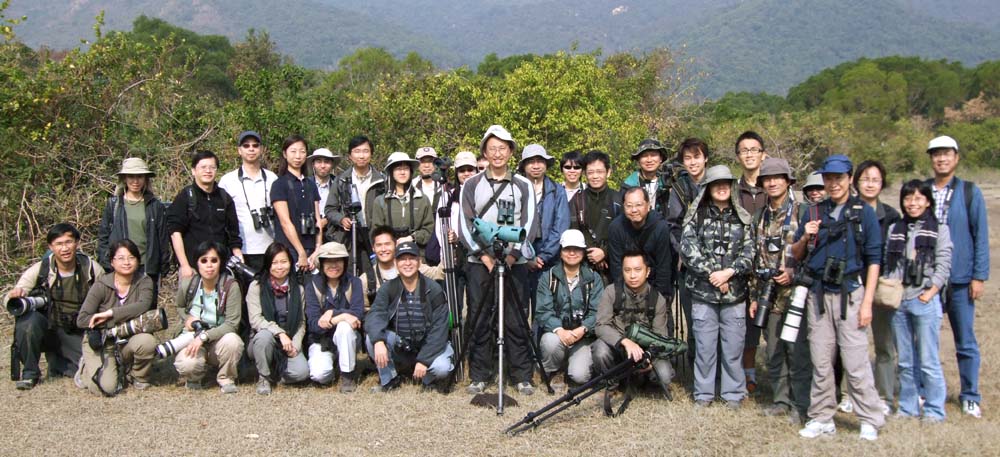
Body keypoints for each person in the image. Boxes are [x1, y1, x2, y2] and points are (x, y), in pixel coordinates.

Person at [792, 154, 884, 441]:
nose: (833, 183)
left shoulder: (863, 213)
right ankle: (822, 416)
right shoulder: (813, 212)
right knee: (821, 361)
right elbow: (796, 253)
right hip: (818, 294)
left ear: (849, 179)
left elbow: (874, 259)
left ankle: (869, 418)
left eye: (839, 178)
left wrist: (867, 302)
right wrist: (805, 237)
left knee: (855, 361)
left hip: (850, 293)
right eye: (829, 178)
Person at [459, 124, 539, 396]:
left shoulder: (523, 185)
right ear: (484, 152)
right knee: (479, 317)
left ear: (511, 152)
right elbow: (465, 224)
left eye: (502, 148)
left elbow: (530, 223)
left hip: (515, 264)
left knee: (516, 318)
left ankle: (521, 375)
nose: (497, 153)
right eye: (492, 148)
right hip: (479, 264)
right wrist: (484, 256)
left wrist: (513, 256)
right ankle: (480, 375)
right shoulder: (471, 184)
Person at [680, 165, 754, 409]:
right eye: (716, 184)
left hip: (735, 294)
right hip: (703, 293)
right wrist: (713, 275)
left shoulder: (743, 218)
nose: (721, 188)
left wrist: (729, 273)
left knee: (733, 347)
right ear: (708, 188)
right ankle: (704, 394)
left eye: (725, 183)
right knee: (705, 347)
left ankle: (733, 393)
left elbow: (750, 252)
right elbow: (688, 250)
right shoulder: (696, 216)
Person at [926, 135, 989, 418]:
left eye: (946, 154)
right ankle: (927, 392)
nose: (941, 159)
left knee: (965, 341)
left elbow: (981, 236)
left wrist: (979, 276)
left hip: (960, 278)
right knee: (926, 339)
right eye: (936, 154)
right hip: (928, 279)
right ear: (931, 159)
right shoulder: (923, 190)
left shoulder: (969, 192)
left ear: (956, 157)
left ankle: (970, 395)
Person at [882, 179, 952, 423]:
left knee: (928, 360)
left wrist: (930, 293)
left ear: (928, 201)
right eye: (908, 198)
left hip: (924, 300)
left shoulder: (940, 229)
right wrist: (892, 289)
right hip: (899, 301)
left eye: (919, 198)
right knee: (904, 360)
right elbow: (888, 264)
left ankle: (934, 409)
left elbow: (943, 265)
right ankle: (908, 407)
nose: (913, 203)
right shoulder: (895, 229)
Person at [748, 158, 811, 422]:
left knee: (797, 351)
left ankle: (801, 404)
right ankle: (781, 400)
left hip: (796, 295)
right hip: (769, 295)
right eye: (767, 179)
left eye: (777, 178)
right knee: (773, 350)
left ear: (787, 181)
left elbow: (812, 252)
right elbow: (753, 259)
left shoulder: (803, 211)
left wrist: (794, 273)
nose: (772, 182)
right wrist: (754, 296)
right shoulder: (759, 217)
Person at [5, 223, 104, 390]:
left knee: (88, 369)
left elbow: (107, 297)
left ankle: (57, 362)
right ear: (51, 247)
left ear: (77, 243)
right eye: (59, 244)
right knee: (28, 322)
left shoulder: (91, 268)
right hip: (49, 327)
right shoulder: (41, 269)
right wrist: (15, 295)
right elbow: (11, 299)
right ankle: (30, 374)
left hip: (78, 329)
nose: (64, 248)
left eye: (68, 242)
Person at [843, 160, 900, 415]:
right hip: (853, 284)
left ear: (882, 183)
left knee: (884, 344)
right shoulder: (846, 211)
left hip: (882, 287)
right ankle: (848, 394)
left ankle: (885, 395)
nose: (870, 184)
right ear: (856, 182)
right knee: (851, 344)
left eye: (875, 180)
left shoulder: (891, 216)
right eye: (865, 179)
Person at [365, 241, 455, 393]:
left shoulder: (434, 289)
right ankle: (390, 380)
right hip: (401, 344)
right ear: (395, 263)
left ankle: (427, 379)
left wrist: (424, 360)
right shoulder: (388, 288)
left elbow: (440, 330)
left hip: (428, 345)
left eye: (412, 258)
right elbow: (375, 315)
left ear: (419, 262)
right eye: (402, 259)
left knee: (442, 368)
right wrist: (378, 341)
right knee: (372, 339)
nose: (407, 263)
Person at [76, 239, 155, 395]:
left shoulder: (144, 281)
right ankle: (85, 369)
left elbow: (143, 305)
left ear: (138, 260)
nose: (126, 262)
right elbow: (82, 319)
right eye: (121, 258)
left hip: (129, 338)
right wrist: (106, 324)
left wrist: (110, 313)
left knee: (147, 341)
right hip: (104, 342)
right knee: (106, 388)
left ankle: (137, 376)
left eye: (131, 257)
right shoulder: (101, 285)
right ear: (112, 262)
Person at [592, 251, 673, 397]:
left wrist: (649, 357)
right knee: (600, 349)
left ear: (647, 272)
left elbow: (661, 338)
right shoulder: (611, 292)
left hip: (645, 352)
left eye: (637, 270)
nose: (632, 275)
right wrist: (625, 342)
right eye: (627, 270)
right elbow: (601, 326)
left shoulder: (657, 299)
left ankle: (644, 380)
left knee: (665, 375)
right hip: (618, 348)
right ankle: (612, 383)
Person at [534, 230, 604, 388]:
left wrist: (583, 329)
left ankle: (571, 365)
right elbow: (543, 312)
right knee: (549, 342)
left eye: (577, 249)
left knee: (580, 376)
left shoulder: (594, 278)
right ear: (561, 251)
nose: (572, 253)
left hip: (583, 336)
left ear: (583, 252)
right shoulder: (548, 277)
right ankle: (553, 370)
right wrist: (560, 330)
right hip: (557, 335)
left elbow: (598, 312)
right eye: (567, 249)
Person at [173, 242, 244, 394]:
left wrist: (204, 337)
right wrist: (187, 318)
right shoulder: (188, 284)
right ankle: (194, 377)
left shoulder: (230, 286)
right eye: (204, 261)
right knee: (186, 364)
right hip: (191, 337)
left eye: (214, 260)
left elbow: (232, 324)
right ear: (197, 263)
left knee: (233, 341)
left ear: (221, 263)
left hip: (218, 338)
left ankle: (226, 378)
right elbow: (179, 306)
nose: (209, 266)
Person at [96, 157, 170, 302]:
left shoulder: (155, 206)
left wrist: (162, 267)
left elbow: (162, 239)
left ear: (146, 179)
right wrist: (108, 263)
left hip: (146, 267)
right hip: (120, 267)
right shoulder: (114, 205)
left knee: (146, 310)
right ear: (124, 179)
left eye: (140, 176)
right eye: (131, 176)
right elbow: (103, 236)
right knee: (121, 310)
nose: (135, 181)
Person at [665, 137, 710, 364]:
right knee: (693, 320)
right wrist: (684, 252)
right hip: (688, 264)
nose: (693, 162)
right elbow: (673, 225)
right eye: (688, 158)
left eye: (697, 157)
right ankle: (696, 370)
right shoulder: (679, 188)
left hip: (717, 263)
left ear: (706, 158)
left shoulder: (717, 183)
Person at [166, 150, 243, 280]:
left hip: (220, 268)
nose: (208, 171)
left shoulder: (224, 198)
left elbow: (233, 234)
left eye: (212, 167)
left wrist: (238, 256)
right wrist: (184, 265)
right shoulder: (185, 197)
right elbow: (175, 233)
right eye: (203, 167)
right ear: (193, 171)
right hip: (192, 268)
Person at [246, 243, 310, 395]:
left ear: (290, 263)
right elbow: (256, 320)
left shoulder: (298, 289)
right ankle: (264, 377)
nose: (279, 267)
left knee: (302, 373)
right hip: (263, 340)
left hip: (289, 342)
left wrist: (296, 345)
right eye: (274, 263)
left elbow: (301, 322)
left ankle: (275, 374)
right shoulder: (256, 286)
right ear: (268, 264)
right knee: (264, 336)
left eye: (284, 262)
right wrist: (280, 333)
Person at [733, 131, 768, 393]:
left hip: (770, 266)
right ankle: (748, 375)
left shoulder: (775, 185)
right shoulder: (734, 190)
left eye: (754, 149)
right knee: (746, 326)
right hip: (743, 268)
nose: (749, 154)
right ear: (738, 156)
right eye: (744, 150)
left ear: (763, 155)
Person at [305, 241, 364, 392]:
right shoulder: (312, 285)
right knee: (320, 375)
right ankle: (336, 364)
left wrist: (332, 313)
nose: (334, 265)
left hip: (348, 338)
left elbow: (358, 314)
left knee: (344, 327)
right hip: (321, 340)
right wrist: (341, 316)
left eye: (338, 260)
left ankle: (347, 375)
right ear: (321, 263)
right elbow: (314, 324)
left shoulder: (354, 282)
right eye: (328, 261)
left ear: (344, 262)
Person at [325, 135, 386, 277]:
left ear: (371, 154)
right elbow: (330, 209)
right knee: (347, 276)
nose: (361, 156)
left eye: (365, 151)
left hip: (373, 235)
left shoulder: (382, 180)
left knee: (372, 276)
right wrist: (341, 219)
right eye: (357, 151)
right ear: (350, 156)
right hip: (347, 237)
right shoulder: (341, 180)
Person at [218, 131, 279, 272]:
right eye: (246, 146)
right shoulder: (228, 181)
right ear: (239, 150)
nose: (251, 149)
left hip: (270, 248)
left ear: (261, 149)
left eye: (255, 145)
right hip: (242, 250)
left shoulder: (272, 178)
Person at [518, 144, 570, 307]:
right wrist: (524, 257)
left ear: (546, 164)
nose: (536, 166)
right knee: (519, 309)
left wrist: (543, 257)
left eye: (539, 161)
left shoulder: (557, 191)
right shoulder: (515, 189)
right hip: (518, 259)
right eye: (531, 161)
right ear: (524, 165)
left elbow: (561, 226)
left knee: (544, 309)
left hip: (549, 261)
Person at [608, 188, 674, 303]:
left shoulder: (660, 227)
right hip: (627, 283)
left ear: (648, 206)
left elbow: (663, 267)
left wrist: (659, 299)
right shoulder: (616, 227)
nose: (634, 210)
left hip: (653, 282)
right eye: (629, 206)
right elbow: (616, 266)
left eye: (638, 205)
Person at [271, 135, 323, 271]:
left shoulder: (311, 184)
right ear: (285, 154)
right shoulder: (279, 184)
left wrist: (318, 248)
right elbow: (285, 222)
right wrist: (301, 252)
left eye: (302, 151)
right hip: (289, 249)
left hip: (312, 248)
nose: (298, 156)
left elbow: (317, 219)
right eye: (293, 151)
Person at [360, 227, 445, 308]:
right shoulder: (366, 280)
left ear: (395, 245)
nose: (383, 249)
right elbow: (363, 311)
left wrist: (449, 245)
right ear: (373, 248)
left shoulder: (410, 267)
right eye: (379, 245)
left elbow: (438, 273)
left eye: (387, 244)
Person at [568, 150, 621, 279]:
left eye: (600, 172)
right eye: (590, 172)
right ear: (585, 174)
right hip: (584, 264)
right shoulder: (577, 200)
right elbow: (573, 230)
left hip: (613, 265)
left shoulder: (618, 199)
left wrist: (604, 252)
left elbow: (624, 234)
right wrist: (592, 254)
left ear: (608, 172)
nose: (595, 176)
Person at [370, 152, 435, 252]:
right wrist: (391, 241)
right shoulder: (381, 201)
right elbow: (376, 231)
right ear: (391, 172)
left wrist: (412, 237)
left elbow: (429, 229)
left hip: (417, 253)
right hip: (390, 254)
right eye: (398, 169)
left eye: (406, 168)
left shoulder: (422, 199)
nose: (402, 172)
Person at [622, 138, 671, 217]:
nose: (649, 160)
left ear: (660, 159)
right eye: (644, 156)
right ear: (638, 160)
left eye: (653, 155)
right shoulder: (629, 184)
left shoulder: (668, 182)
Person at [310, 147, 340, 216]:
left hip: (334, 222)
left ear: (332, 164)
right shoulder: (305, 184)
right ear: (313, 164)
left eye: (326, 162)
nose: (323, 166)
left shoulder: (339, 184)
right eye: (319, 162)